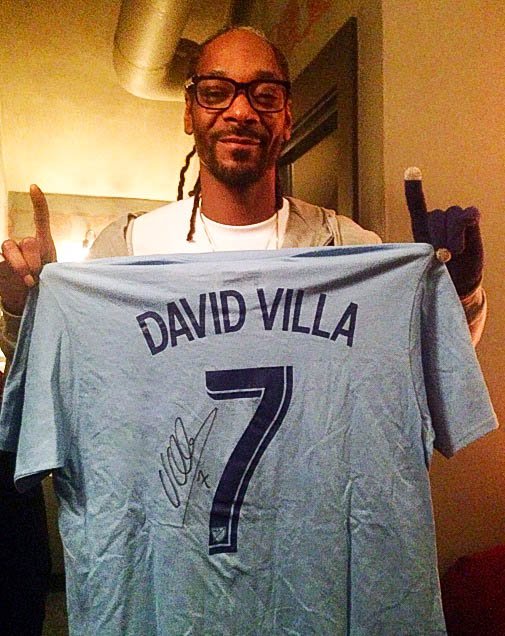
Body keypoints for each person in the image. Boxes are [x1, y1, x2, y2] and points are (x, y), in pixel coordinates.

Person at [0, 25, 486, 361]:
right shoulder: (123, 252)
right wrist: (24, 309)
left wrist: (461, 295)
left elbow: (419, 368)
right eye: (215, 92)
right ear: (189, 112)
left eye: (265, 95)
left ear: (287, 118)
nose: (240, 111)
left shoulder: (349, 247)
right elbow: (62, 380)